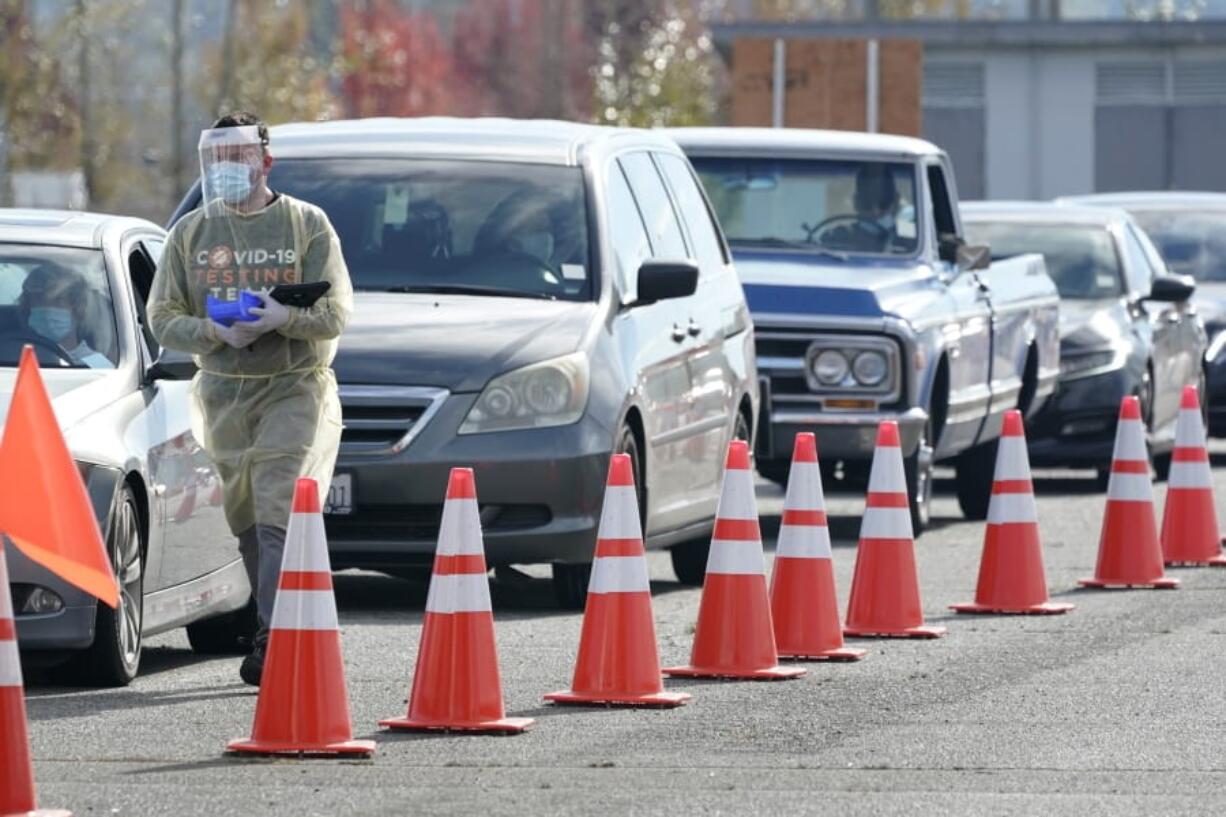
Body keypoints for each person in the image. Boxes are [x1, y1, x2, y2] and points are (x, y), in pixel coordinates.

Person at [147, 112, 353, 686]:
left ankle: (273, 635)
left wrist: (287, 317)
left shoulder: (305, 225)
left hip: (294, 385)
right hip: (224, 393)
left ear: (265, 161)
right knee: (243, 516)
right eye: (218, 159)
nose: (228, 169)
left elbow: (336, 312)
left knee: (275, 503)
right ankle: (281, 619)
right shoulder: (191, 234)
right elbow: (163, 318)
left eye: (239, 157)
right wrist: (216, 332)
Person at [19, 265, 114, 368]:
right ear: (27, 308)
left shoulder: (99, 367)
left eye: (58, 301)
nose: (47, 309)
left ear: (78, 309)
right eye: (39, 301)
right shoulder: (13, 358)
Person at [822, 164, 901, 253]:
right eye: (867, 202)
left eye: (884, 203)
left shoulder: (912, 242)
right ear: (857, 202)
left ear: (896, 202)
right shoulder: (836, 238)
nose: (876, 211)